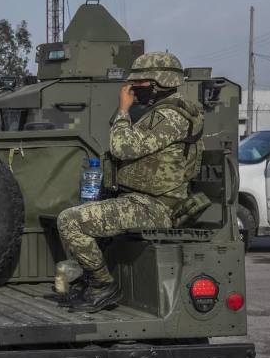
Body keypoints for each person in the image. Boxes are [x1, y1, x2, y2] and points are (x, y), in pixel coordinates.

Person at [57, 52, 204, 313]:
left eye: (140, 84)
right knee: (82, 219)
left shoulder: (171, 116)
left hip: (155, 207)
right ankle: (90, 282)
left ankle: (103, 287)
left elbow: (123, 148)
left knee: (70, 220)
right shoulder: (161, 111)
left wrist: (123, 110)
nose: (133, 88)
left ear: (160, 82)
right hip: (139, 200)